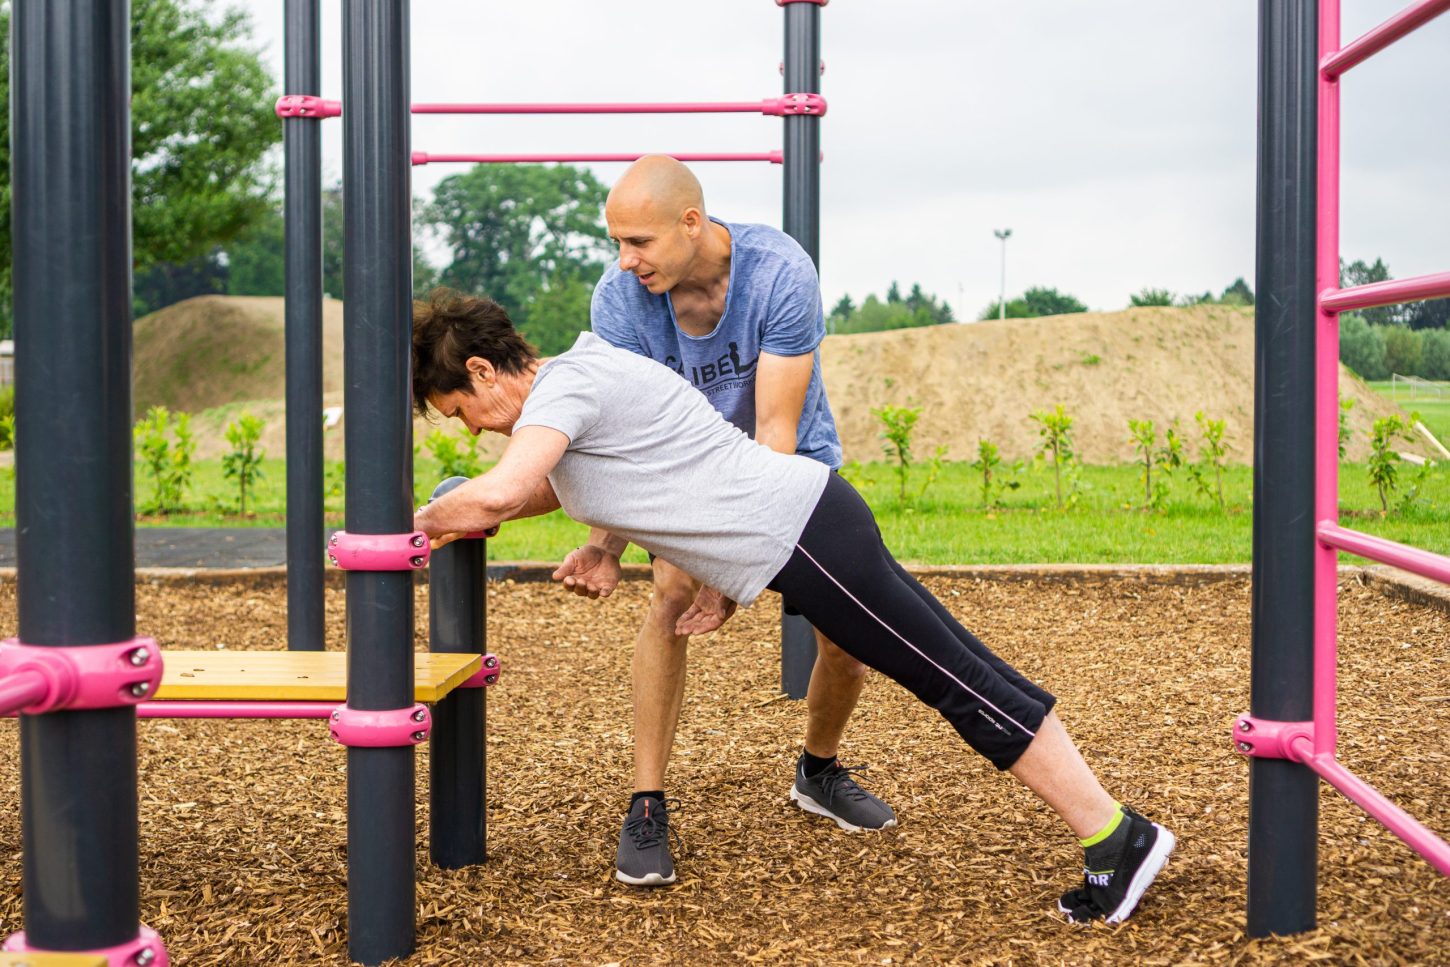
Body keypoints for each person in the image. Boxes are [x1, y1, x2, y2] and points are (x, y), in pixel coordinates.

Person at [410, 289, 1176, 924]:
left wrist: (403, 528)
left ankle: (1115, 835)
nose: (472, 428)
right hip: (810, 528)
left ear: (483, 369)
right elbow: (545, 489)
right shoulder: (575, 381)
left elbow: (508, 487)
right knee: (962, 670)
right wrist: (490, 519)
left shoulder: (566, 385)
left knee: (959, 681)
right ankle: (1114, 831)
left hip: (807, 537)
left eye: (460, 410)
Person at [588, 156, 893, 886]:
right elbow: (626, 434)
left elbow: (774, 433)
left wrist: (731, 577)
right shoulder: (620, 301)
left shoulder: (780, 273)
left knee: (848, 647)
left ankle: (817, 770)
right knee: (666, 595)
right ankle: (647, 803)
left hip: (785, 464)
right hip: (684, 468)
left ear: (691, 224)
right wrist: (606, 544)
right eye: (618, 244)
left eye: (639, 243)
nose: (624, 261)